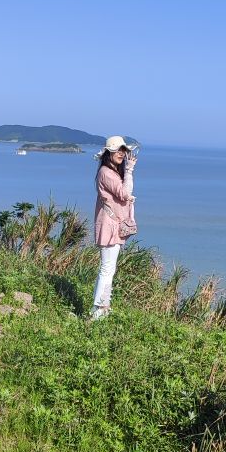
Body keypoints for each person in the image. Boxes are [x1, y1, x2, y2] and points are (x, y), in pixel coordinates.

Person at [90, 135, 137, 319]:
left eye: (123, 150)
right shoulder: (106, 172)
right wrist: (130, 169)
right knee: (107, 268)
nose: (121, 153)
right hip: (109, 226)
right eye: (117, 150)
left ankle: (101, 307)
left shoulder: (113, 172)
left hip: (112, 225)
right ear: (108, 153)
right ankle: (100, 310)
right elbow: (125, 193)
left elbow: (122, 194)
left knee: (109, 268)